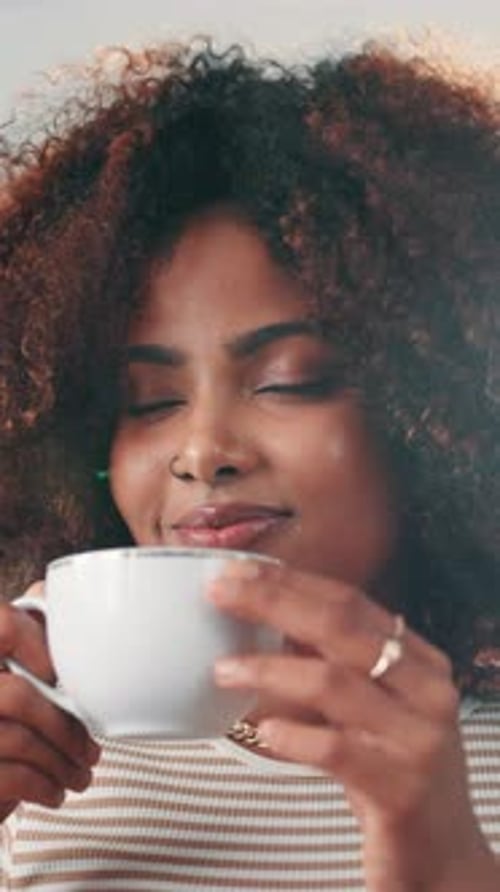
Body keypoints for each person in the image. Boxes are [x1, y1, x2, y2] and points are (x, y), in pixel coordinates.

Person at [0, 36, 499, 892]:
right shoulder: (35, 760)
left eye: (290, 382)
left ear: (432, 422)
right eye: (150, 402)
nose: (202, 454)